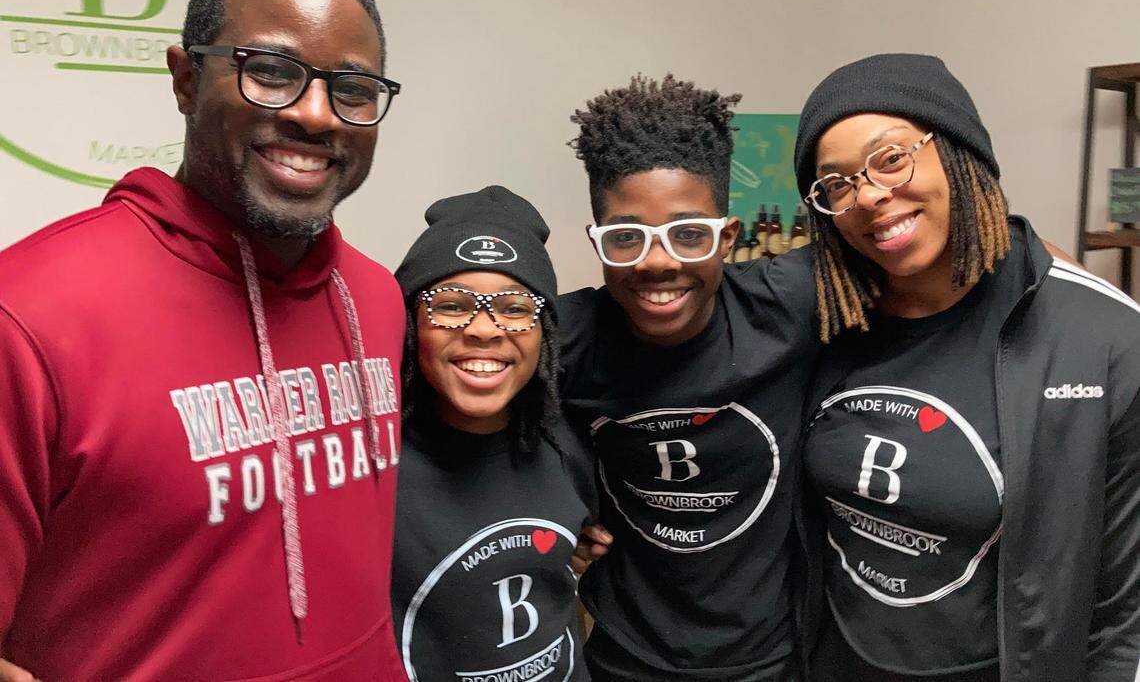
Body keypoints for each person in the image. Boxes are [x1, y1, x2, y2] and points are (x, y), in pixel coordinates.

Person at [0, 0, 408, 680]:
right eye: (273, 72)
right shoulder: (30, 319)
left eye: (352, 89)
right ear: (186, 79)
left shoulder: (376, 298)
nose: (317, 115)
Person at [793, 53, 1140, 682]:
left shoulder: (1104, 339)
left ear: (959, 152)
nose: (868, 194)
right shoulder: (825, 320)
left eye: (892, 158)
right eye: (836, 184)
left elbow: (1125, 614)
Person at [558, 74, 817, 680]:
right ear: (597, 241)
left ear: (727, 237)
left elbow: (941, 259)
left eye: (689, 233)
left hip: (773, 660)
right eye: (626, 237)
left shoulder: (791, 306)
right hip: (625, 659)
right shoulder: (566, 338)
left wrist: (1042, 261)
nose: (658, 262)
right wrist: (546, 511)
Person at [390, 185, 594, 681]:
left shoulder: (569, 444)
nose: (485, 329)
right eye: (454, 305)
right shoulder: (371, 466)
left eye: (515, 307)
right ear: (414, 323)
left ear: (544, 332)